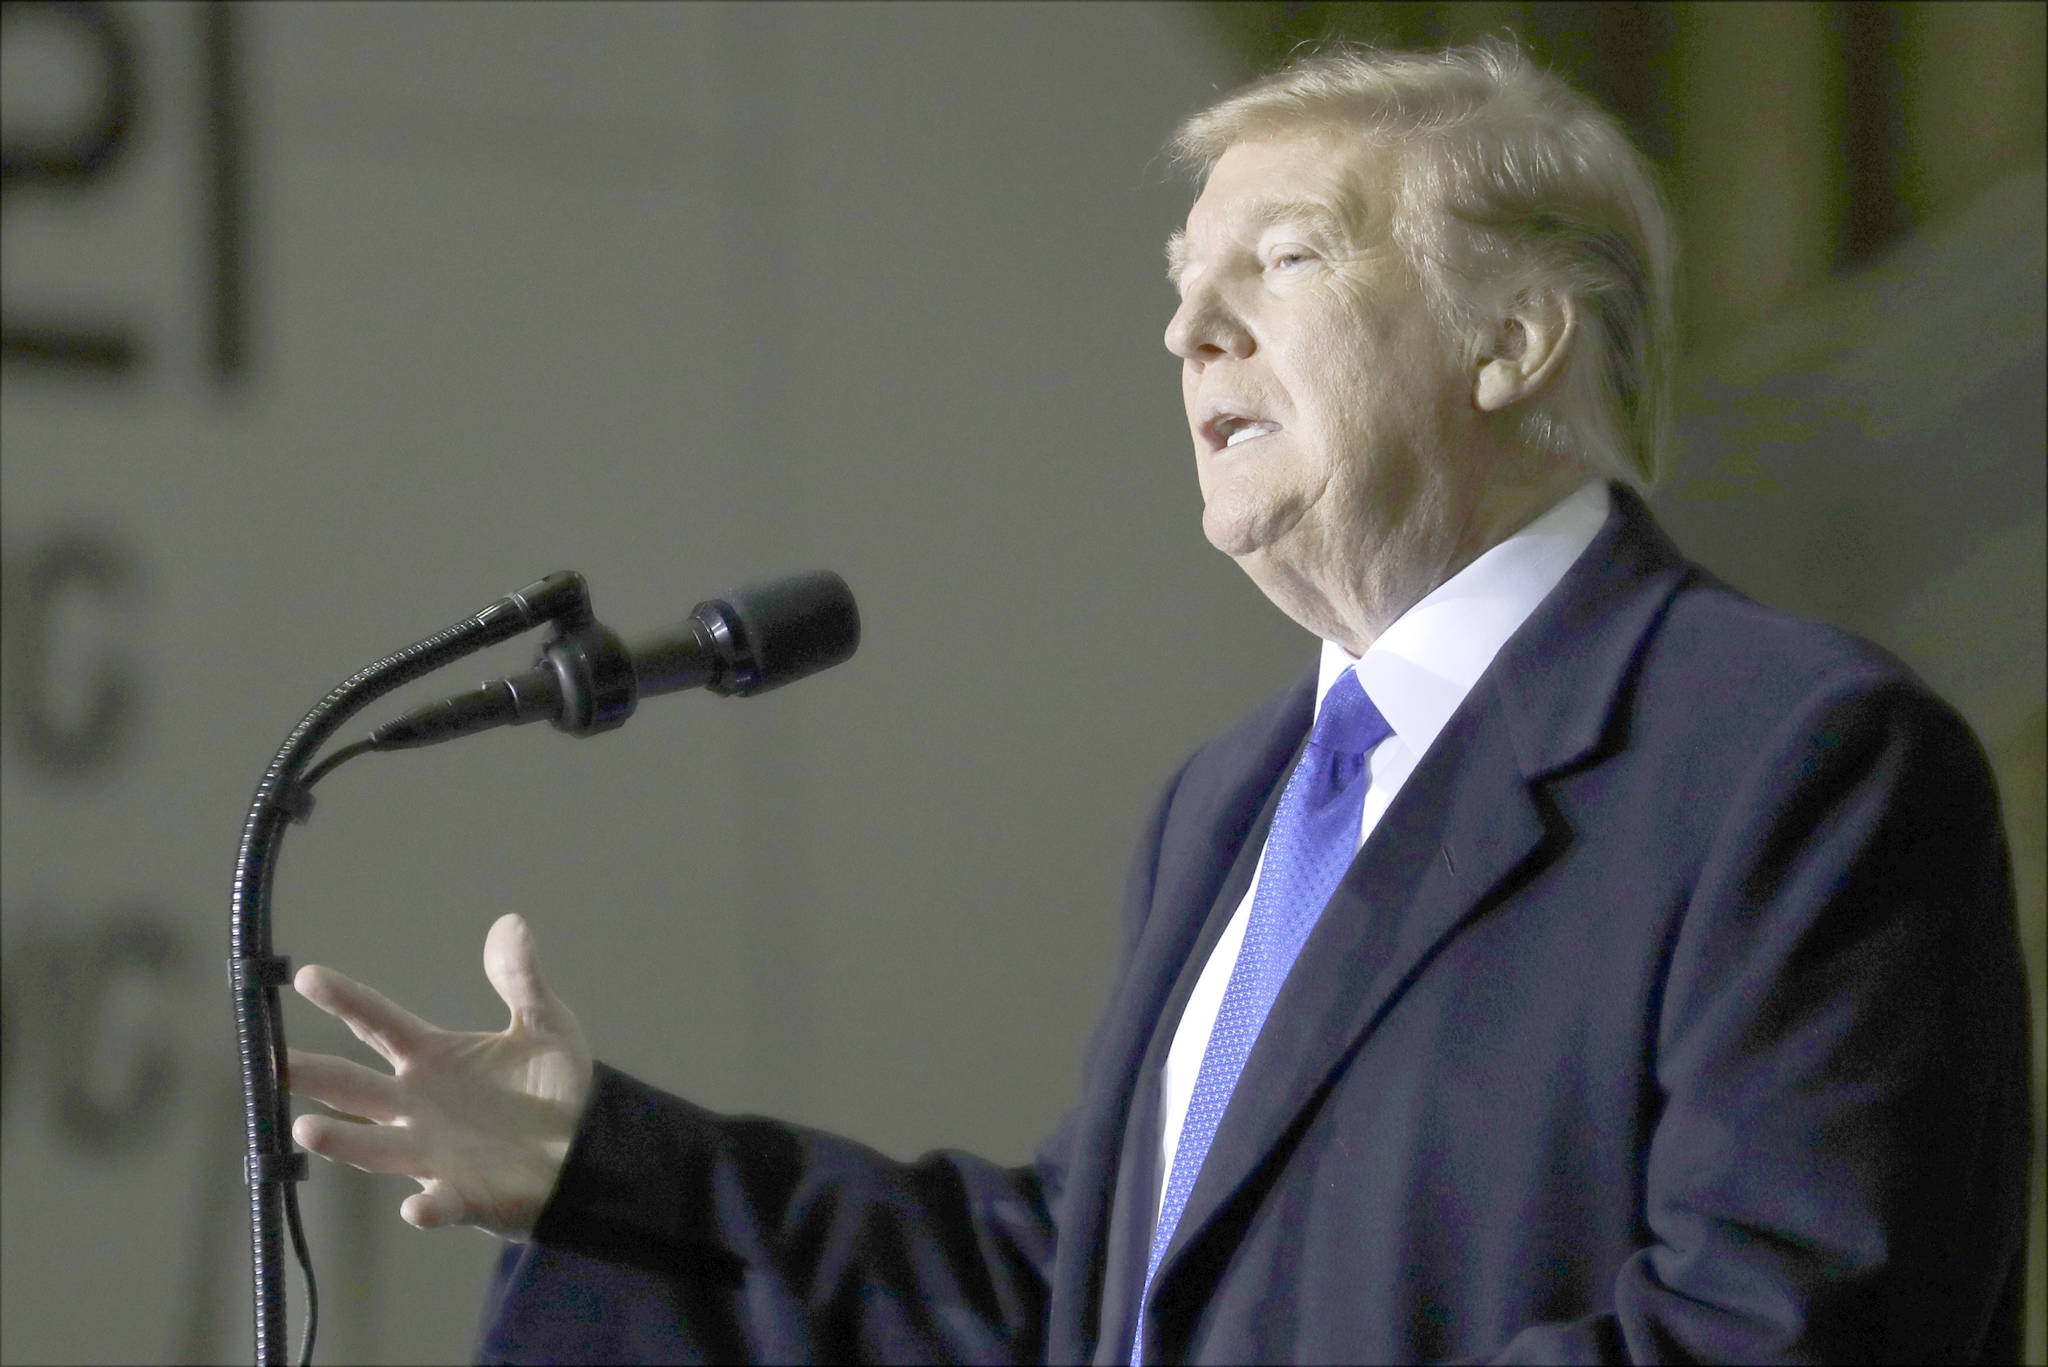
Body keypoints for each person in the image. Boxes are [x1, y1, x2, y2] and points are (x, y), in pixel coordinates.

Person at [288, 41, 2032, 1364]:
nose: (1190, 330)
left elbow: (1779, 1329)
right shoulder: (1236, 800)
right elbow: (1086, 1296)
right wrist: (609, 1171)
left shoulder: (1787, 760)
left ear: (1513, 343)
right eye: (1180, 292)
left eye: (1277, 263)